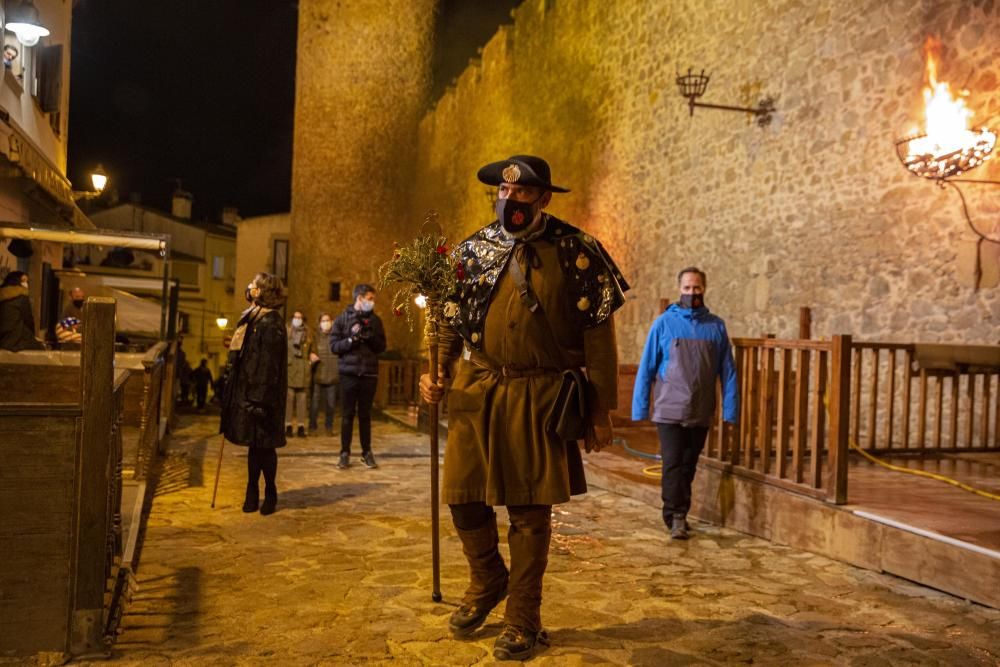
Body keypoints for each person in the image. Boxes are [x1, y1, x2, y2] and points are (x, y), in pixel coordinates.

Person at [419, 155, 627, 660]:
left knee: (530, 512)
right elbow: (448, 318)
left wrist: (600, 412)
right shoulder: (472, 250)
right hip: (478, 387)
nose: (508, 199)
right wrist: (436, 370)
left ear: (543, 198)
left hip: (540, 394)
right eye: (502, 192)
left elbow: (598, 337)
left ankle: (523, 617)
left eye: (521, 192)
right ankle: (488, 580)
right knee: (463, 496)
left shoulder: (578, 252)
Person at [631, 267, 738, 540]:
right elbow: (647, 367)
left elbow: (728, 371)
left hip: (700, 409)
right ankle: (675, 515)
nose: (692, 293)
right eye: (688, 288)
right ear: (679, 289)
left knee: (689, 465)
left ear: (705, 289)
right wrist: (640, 407)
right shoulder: (664, 324)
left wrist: (731, 409)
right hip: (669, 409)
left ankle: (680, 513)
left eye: (697, 288)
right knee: (673, 463)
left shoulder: (716, 326)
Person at [220, 272, 288, 515]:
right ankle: (251, 490)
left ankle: (270, 490)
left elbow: (269, 365)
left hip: (263, 396)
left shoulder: (271, 323)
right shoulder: (252, 318)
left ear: (262, 291)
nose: (249, 287)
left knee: (264, 446)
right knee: (253, 445)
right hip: (247, 391)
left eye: (254, 285)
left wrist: (259, 398)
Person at [330, 284, 386, 469]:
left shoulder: (375, 321)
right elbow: (334, 346)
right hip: (349, 374)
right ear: (359, 298)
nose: (372, 302)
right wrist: (350, 341)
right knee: (347, 415)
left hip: (369, 373)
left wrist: (370, 338)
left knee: (365, 415)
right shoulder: (343, 319)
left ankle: (366, 452)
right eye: (370, 298)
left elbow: (381, 347)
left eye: (373, 299)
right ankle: (344, 452)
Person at [286, 309, 318, 437]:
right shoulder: (287, 331)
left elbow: (313, 350)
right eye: (295, 316)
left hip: (304, 369)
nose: (297, 319)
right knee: (288, 399)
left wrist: (311, 361)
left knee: (302, 400)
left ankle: (301, 426)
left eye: (300, 317)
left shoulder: (309, 334)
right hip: (290, 368)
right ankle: (287, 425)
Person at [309, 312, 339, 436]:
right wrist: (311, 355)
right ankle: (312, 427)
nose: (326, 323)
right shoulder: (315, 337)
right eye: (323, 320)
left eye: (328, 320)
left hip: (332, 376)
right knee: (315, 404)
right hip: (318, 375)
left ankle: (329, 427)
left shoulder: (337, 337)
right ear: (320, 323)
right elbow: (309, 352)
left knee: (331, 405)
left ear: (332, 322)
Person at [0, 271, 44, 351]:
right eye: (23, 281)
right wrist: (33, 335)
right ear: (16, 281)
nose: (26, 284)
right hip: (15, 339)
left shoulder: (2, 295)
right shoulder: (21, 298)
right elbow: (28, 319)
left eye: (27, 281)